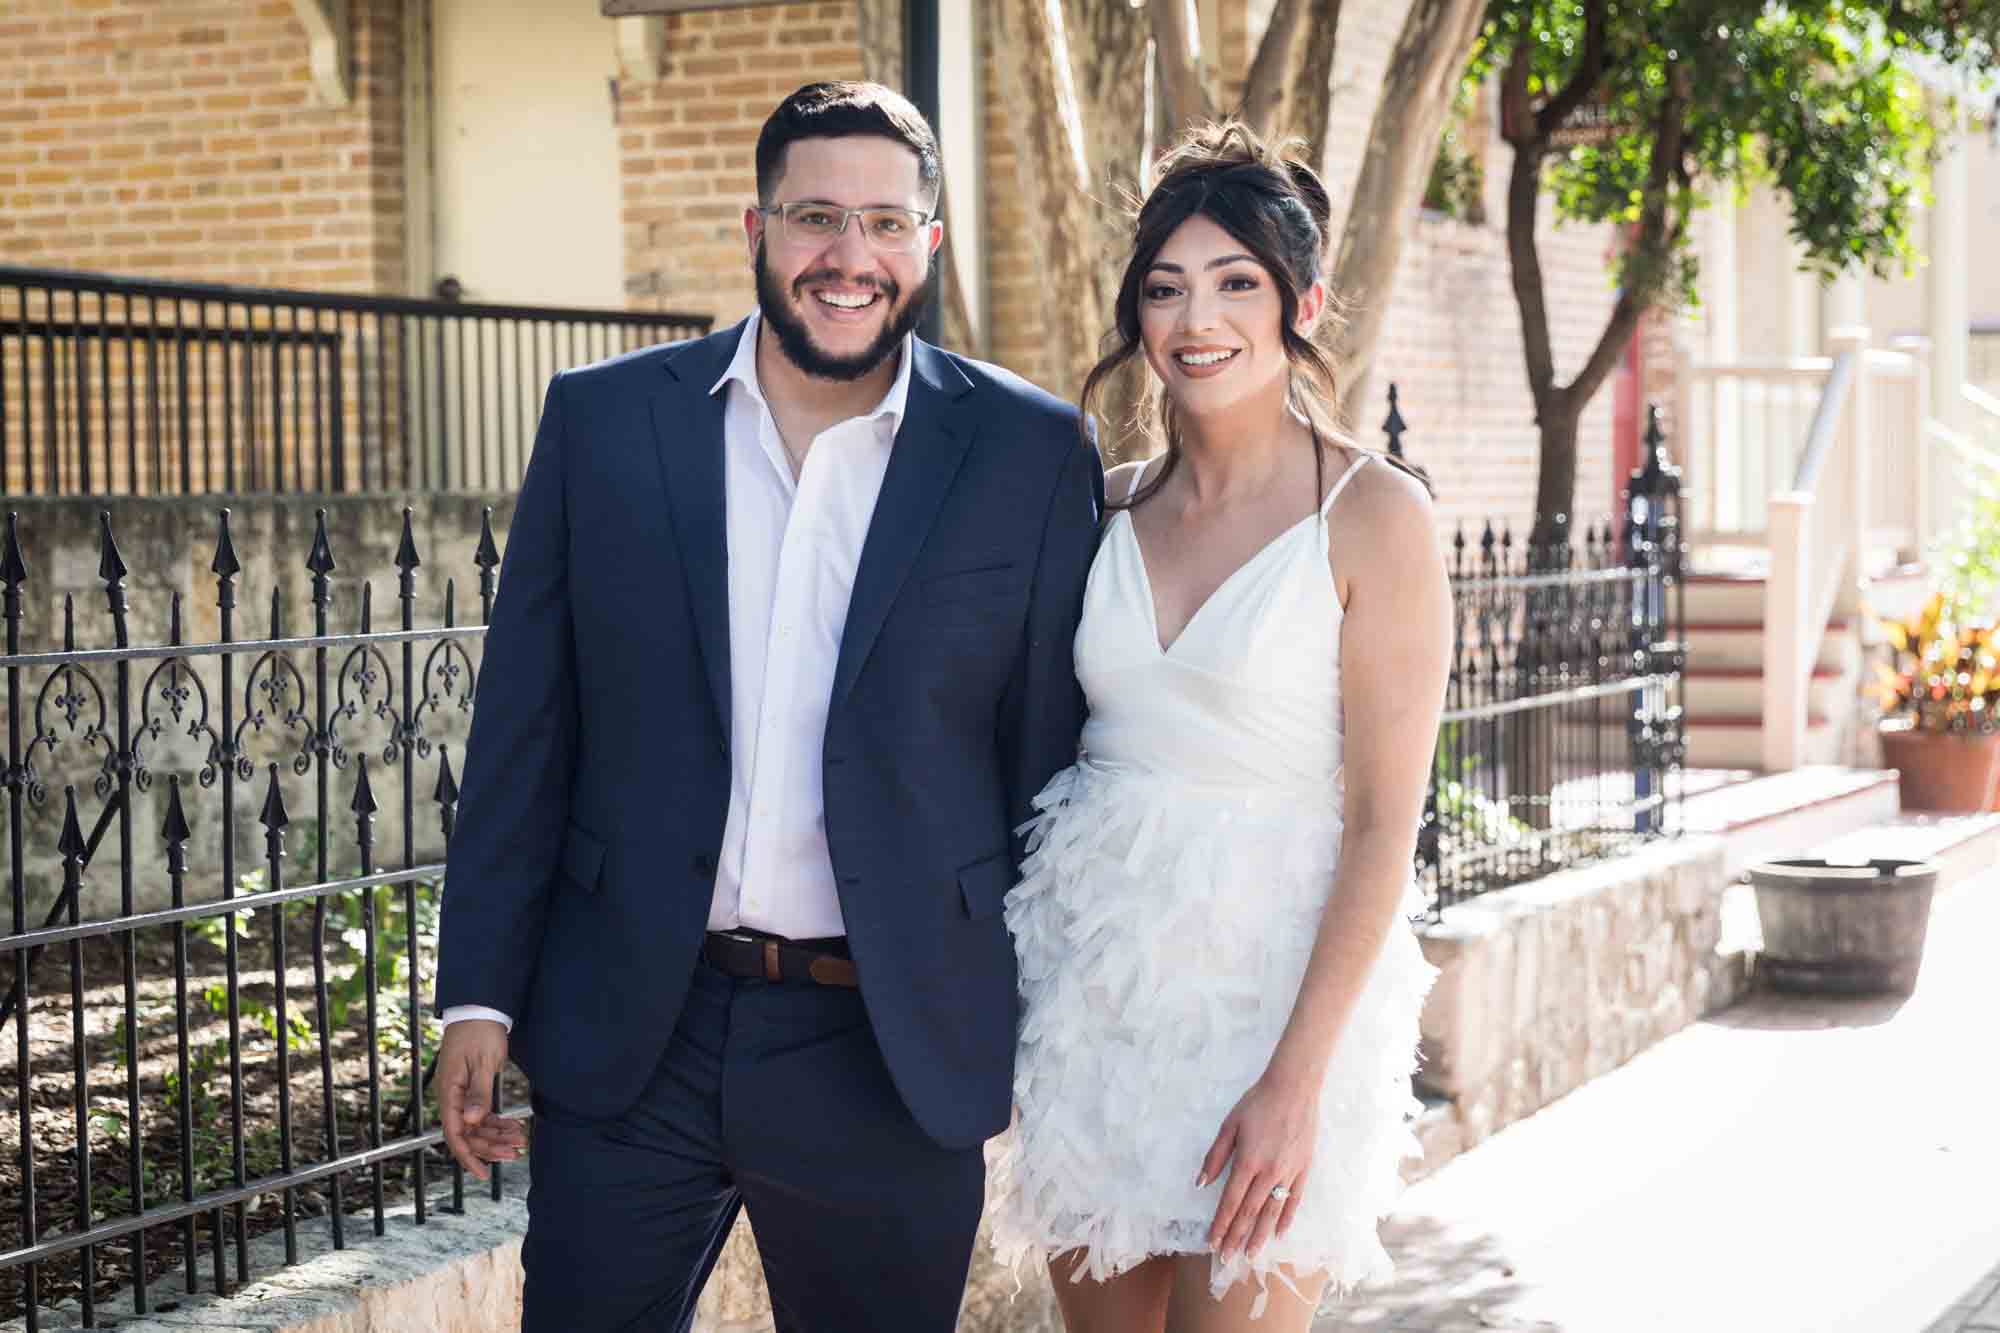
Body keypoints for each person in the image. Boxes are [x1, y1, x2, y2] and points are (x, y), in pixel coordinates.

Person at [431, 81, 1102, 1332]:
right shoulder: (605, 423)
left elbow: (1043, 769)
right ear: (755, 228)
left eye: (886, 225)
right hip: (638, 1024)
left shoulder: (1025, 451)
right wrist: (479, 993)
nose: (849, 258)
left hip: (887, 1046)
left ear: (928, 244)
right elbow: (526, 728)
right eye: (815, 219)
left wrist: (1028, 1032)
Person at [986, 123, 1448, 1331]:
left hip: (1277, 1000)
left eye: (1235, 281)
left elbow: (1383, 827)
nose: (1198, 318)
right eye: (1165, 287)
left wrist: (1293, 1081)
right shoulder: (1101, 505)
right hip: (1098, 995)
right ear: (1136, 316)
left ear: (1297, 300)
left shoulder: (1373, 516)